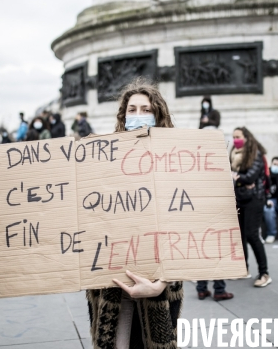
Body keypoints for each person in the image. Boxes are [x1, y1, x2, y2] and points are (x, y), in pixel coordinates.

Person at [87, 77, 183, 349]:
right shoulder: (103, 158)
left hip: (158, 284)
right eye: (132, 109)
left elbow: (186, 229)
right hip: (111, 284)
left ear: (158, 114)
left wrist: (160, 284)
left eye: (146, 109)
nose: (138, 115)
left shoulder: (178, 161)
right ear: (123, 115)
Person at [232, 127, 272, 287]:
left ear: (247, 138)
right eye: (233, 137)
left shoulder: (255, 154)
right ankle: (244, 269)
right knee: (240, 235)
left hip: (254, 198)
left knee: (252, 235)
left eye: (238, 136)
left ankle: (264, 273)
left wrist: (237, 178)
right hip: (240, 197)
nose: (235, 140)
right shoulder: (233, 154)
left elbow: (251, 177)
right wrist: (239, 179)